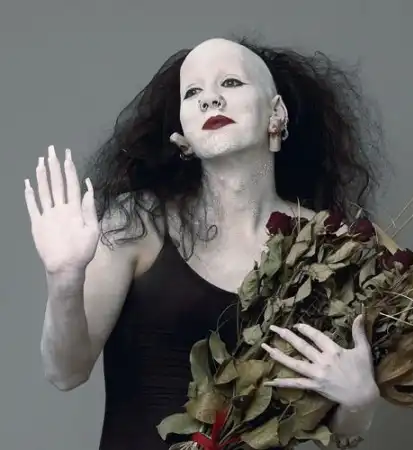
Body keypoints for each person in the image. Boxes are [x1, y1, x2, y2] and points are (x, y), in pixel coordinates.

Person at [24, 37, 384, 449]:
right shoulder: (138, 221)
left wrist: (361, 399)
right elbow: (65, 372)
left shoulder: (329, 243)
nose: (210, 99)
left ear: (276, 113)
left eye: (231, 83)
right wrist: (64, 277)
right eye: (193, 92)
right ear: (183, 137)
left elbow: (337, 429)